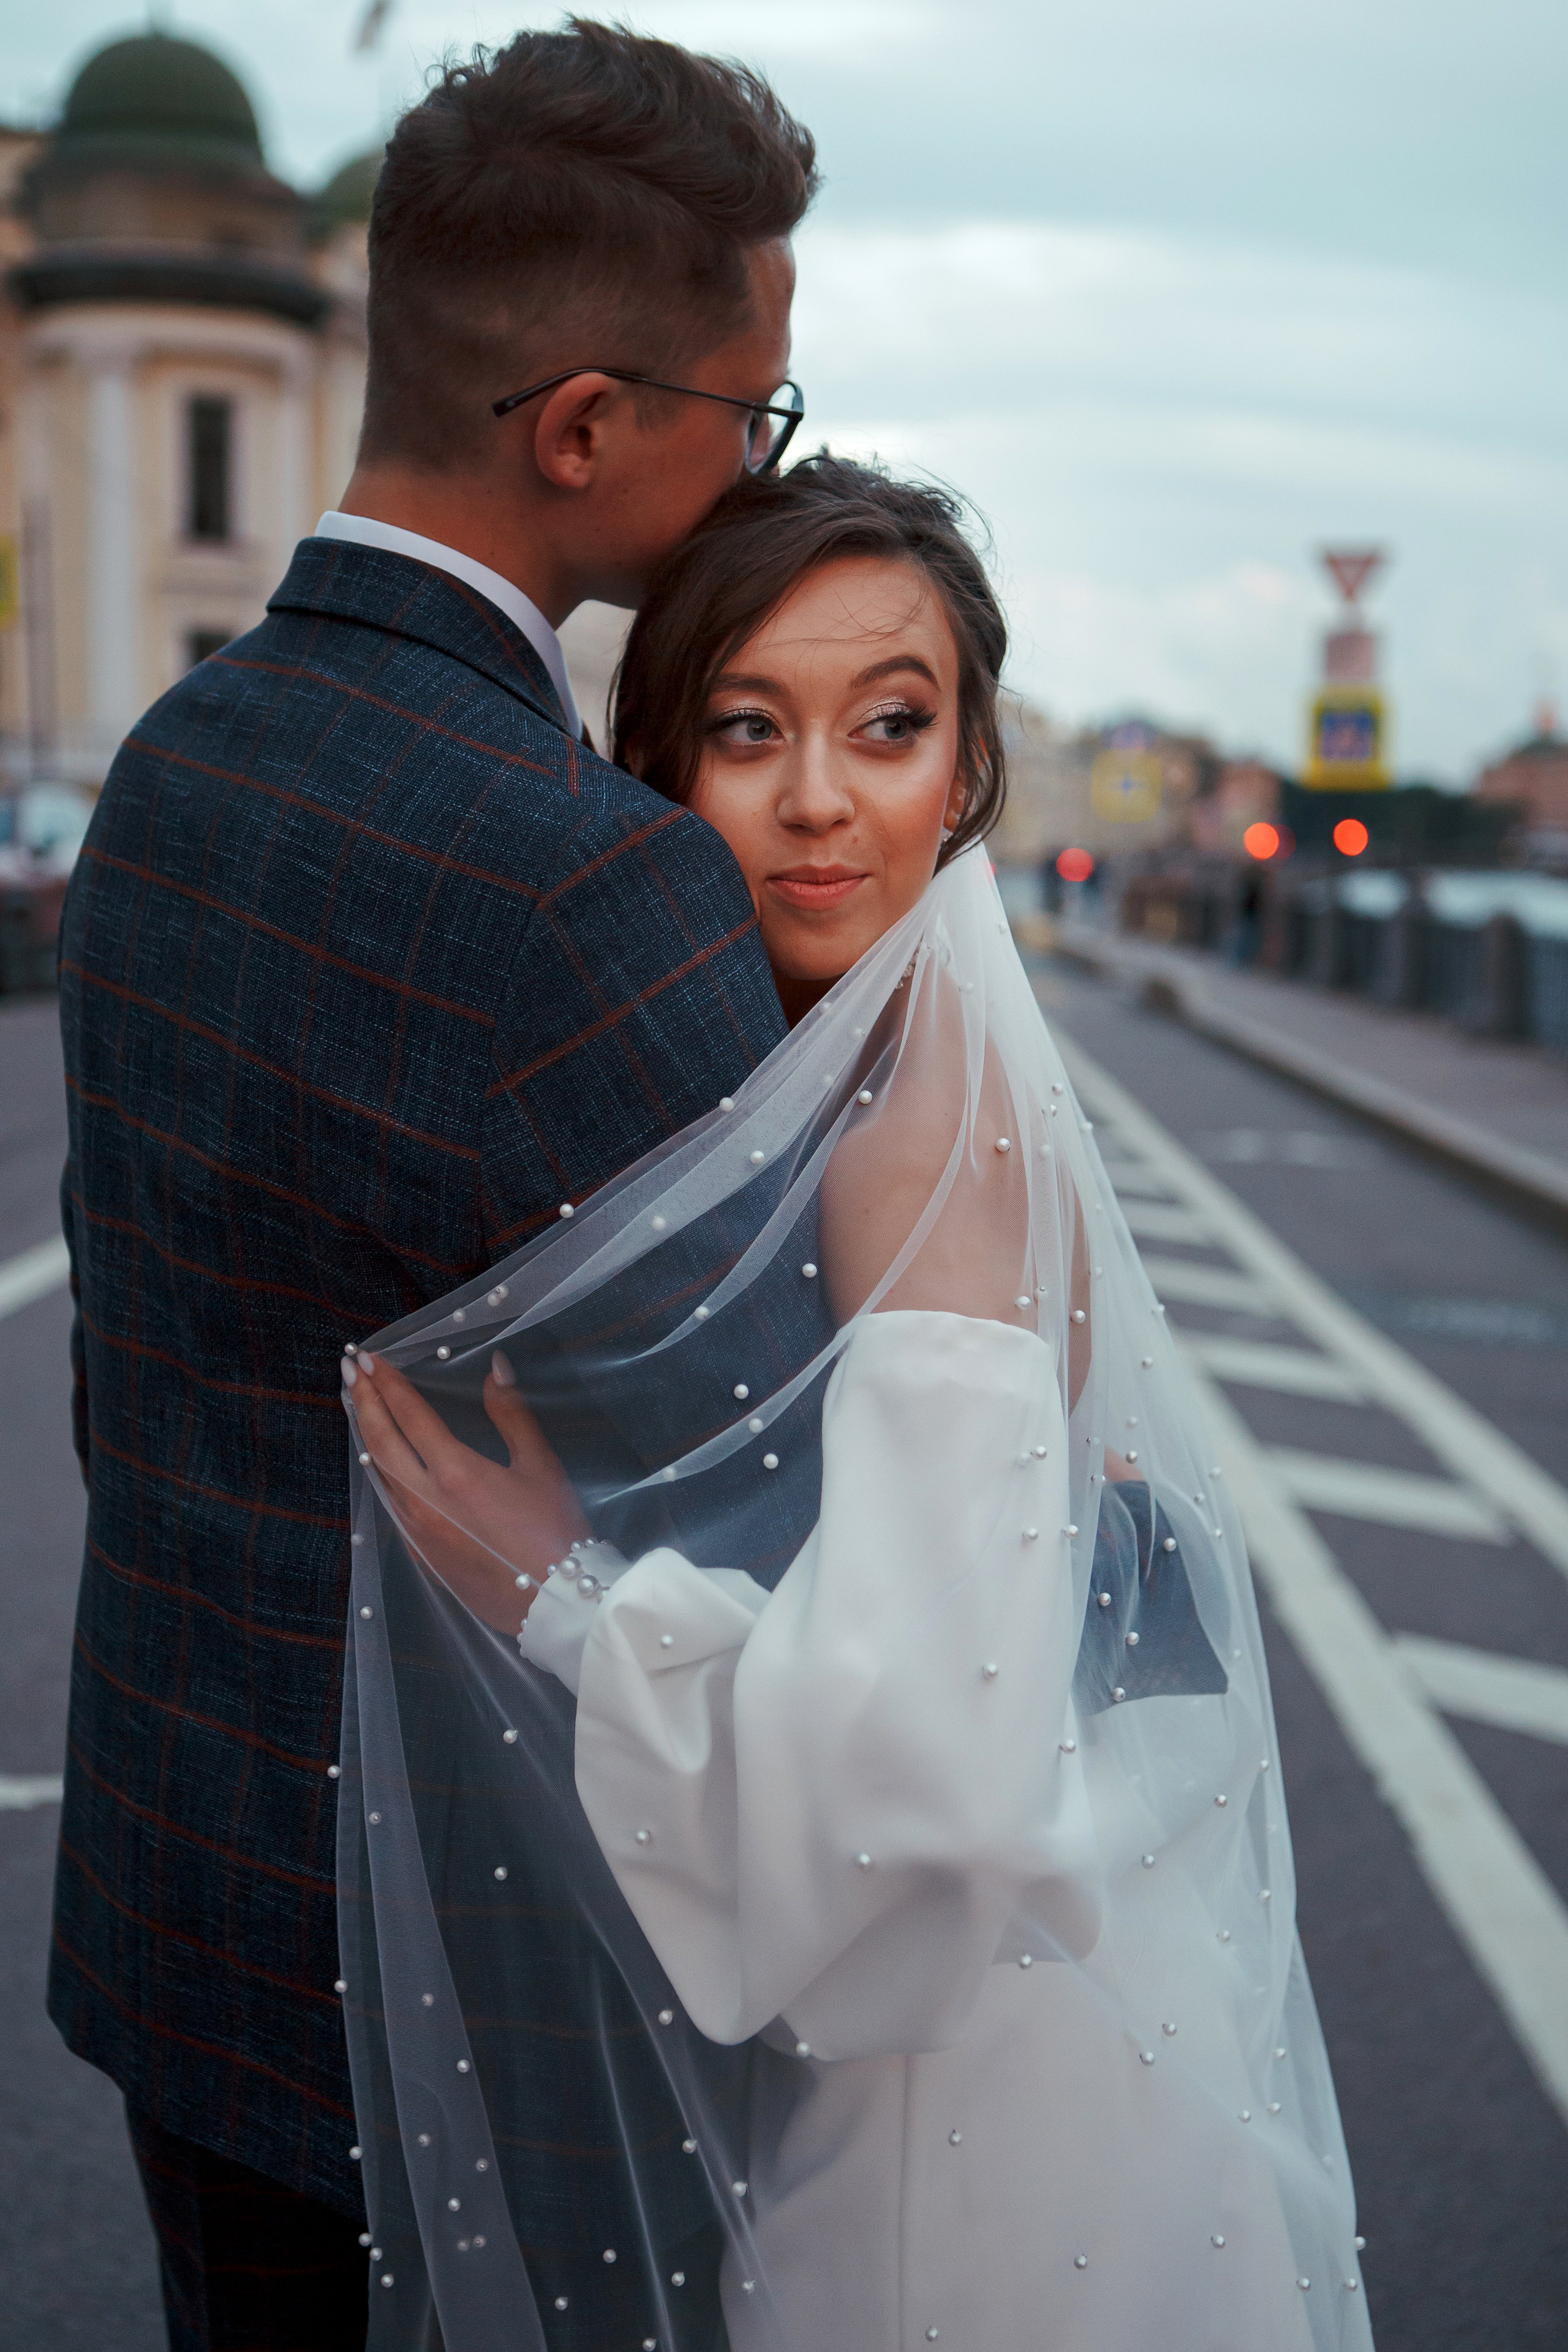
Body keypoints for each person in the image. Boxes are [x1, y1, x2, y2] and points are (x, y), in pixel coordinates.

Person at [341, 458, 1372, 2351]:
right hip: (1074, 2040)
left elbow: (941, 1815)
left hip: (974, 2135)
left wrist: (570, 1600)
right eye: (751, 730)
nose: (820, 799)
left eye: (889, 728)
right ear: (663, 771)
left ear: (966, 771)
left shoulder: (914, 1142)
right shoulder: (924, 1063)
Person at [50, 24, 815, 2349]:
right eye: (749, 414)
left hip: (183, 1918)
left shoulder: (165, 770)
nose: (761, 464)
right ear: (584, 427)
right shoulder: (587, 885)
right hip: (475, 1991)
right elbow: (771, 1502)